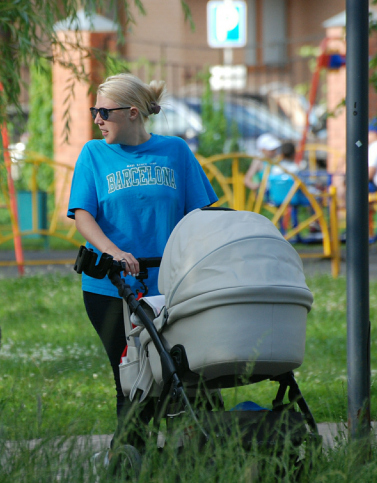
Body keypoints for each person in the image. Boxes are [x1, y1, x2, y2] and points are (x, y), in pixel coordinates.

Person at [67, 73, 218, 461]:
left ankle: (175, 454)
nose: (97, 118)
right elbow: (83, 216)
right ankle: (131, 454)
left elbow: (199, 214)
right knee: (133, 379)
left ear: (132, 113)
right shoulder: (93, 155)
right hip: (110, 289)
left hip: (171, 285)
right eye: (94, 110)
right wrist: (114, 252)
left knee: (181, 375)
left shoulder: (176, 152)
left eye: (104, 111)